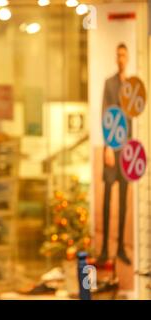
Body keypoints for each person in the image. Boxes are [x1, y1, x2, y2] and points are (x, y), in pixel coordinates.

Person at [99, 43, 131, 265]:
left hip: (127, 149)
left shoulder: (131, 85)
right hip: (112, 146)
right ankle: (104, 249)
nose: (120, 58)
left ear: (127, 58)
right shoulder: (109, 83)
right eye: (118, 55)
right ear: (115, 57)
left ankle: (120, 248)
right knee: (108, 197)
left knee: (123, 201)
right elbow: (105, 114)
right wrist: (108, 146)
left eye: (123, 55)